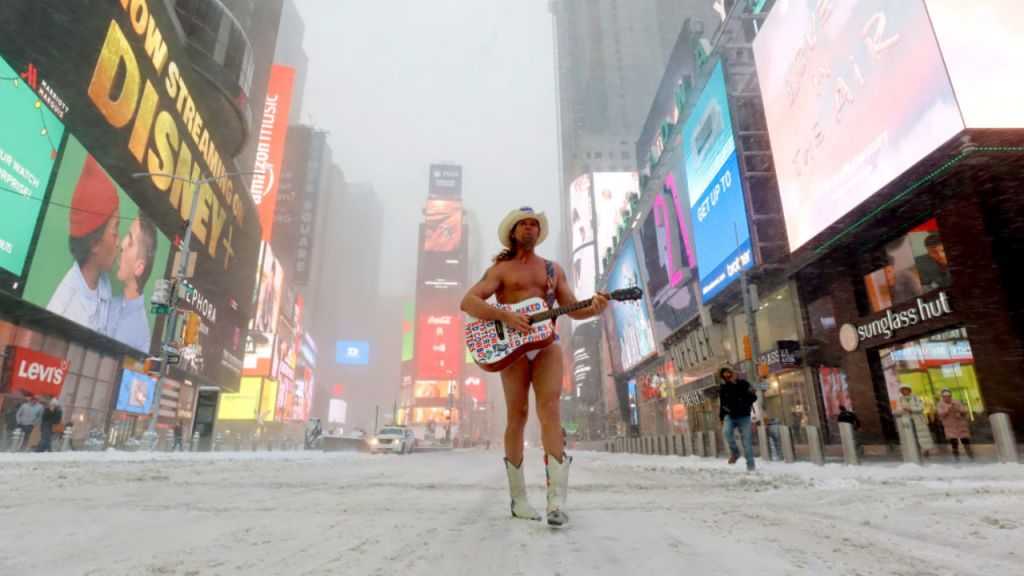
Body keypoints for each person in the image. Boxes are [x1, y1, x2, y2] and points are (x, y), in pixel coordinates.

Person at [461, 207, 607, 526]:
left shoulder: (553, 270)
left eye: (534, 225)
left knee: (550, 411)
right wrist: (505, 316)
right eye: (523, 224)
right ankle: (519, 499)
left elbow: (571, 308)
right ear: (513, 232)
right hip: (511, 347)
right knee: (517, 416)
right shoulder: (500, 269)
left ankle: (556, 500)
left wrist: (594, 308)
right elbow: (468, 301)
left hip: (546, 345)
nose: (530, 228)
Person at [47, 155, 120, 333]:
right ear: (95, 244)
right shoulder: (63, 311)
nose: (120, 242)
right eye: (115, 230)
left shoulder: (102, 282)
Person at [107, 215, 158, 351]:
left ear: (139, 267)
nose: (122, 244)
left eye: (129, 243)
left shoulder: (141, 335)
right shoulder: (108, 303)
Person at [718, 366, 758, 471]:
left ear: (732, 373)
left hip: (744, 416)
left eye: (728, 373)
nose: (726, 376)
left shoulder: (744, 383)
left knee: (747, 442)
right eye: (724, 374)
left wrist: (745, 403)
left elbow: (754, 396)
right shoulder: (723, 388)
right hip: (730, 416)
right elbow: (722, 404)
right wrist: (721, 418)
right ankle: (735, 452)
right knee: (726, 433)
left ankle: (751, 467)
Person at [894, 383, 935, 456]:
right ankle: (915, 452)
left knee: (922, 436)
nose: (905, 391)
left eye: (906, 389)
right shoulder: (900, 400)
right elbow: (897, 410)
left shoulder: (916, 398)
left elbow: (921, 407)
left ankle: (926, 450)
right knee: (911, 437)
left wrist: (912, 409)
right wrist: (903, 409)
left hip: (918, 420)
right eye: (903, 390)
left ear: (909, 390)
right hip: (907, 421)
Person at [935, 388, 972, 462]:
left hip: (961, 425)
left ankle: (971, 457)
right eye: (945, 396)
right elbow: (940, 413)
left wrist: (958, 409)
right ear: (942, 396)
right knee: (954, 443)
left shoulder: (957, 402)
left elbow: (965, 411)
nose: (947, 398)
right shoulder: (940, 404)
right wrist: (948, 409)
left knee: (965, 441)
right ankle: (957, 459)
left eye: (948, 396)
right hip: (950, 426)